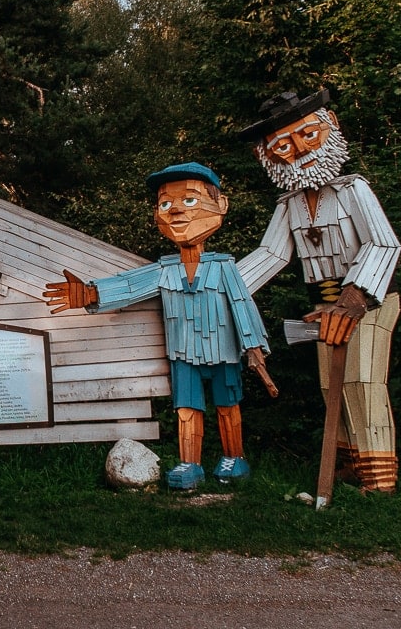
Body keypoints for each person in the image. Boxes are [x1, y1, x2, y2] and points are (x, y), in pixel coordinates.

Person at [45, 163, 272, 490]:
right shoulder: (164, 269)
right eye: (166, 204)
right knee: (186, 409)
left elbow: (242, 305)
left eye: (189, 201)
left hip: (224, 353)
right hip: (183, 354)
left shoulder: (224, 266)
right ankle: (189, 464)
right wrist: (90, 294)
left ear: (220, 206)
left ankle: (234, 458)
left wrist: (253, 347)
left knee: (227, 404)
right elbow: (129, 286)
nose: (176, 209)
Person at [236, 88, 401, 493]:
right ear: (265, 155)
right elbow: (270, 256)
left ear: (330, 127)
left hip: (367, 301)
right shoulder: (289, 204)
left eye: (307, 136)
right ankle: (348, 464)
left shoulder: (352, 189)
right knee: (333, 386)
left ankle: (379, 477)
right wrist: (219, 288)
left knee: (363, 382)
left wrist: (353, 300)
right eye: (281, 146)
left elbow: (383, 243)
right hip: (323, 307)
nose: (296, 151)